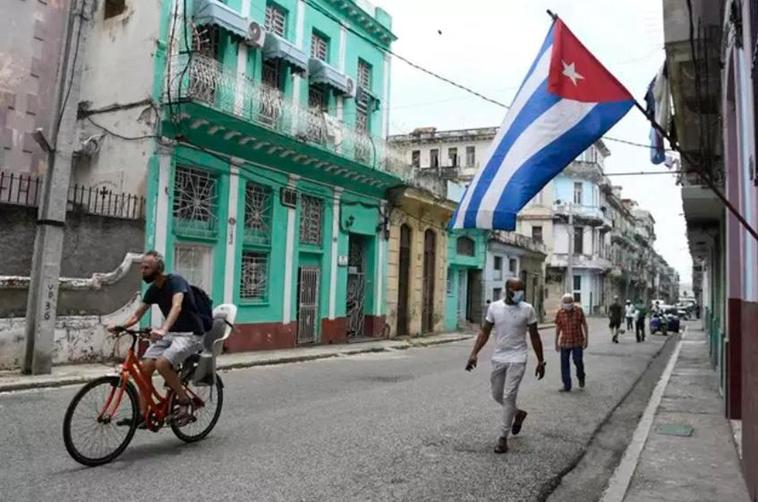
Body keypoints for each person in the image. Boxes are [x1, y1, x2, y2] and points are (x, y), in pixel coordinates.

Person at [108, 250, 209, 427]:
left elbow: (176, 306)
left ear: (158, 268)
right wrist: (122, 326)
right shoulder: (153, 289)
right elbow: (137, 315)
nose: (143, 271)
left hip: (191, 334)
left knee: (162, 363)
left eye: (147, 267)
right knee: (145, 368)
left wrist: (163, 329)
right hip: (171, 335)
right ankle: (142, 414)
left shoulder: (175, 281)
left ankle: (185, 401)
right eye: (142, 267)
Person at [465, 278, 546, 454]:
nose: (520, 293)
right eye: (516, 290)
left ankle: (503, 438)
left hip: (518, 357)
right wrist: (474, 354)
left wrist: (540, 361)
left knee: (509, 396)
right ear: (507, 290)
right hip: (499, 356)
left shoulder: (528, 309)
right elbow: (485, 332)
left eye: (521, 289)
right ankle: (518, 413)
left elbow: (534, 336)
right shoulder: (494, 307)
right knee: (496, 395)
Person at [554, 294, 588, 392]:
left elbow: (584, 324)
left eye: (569, 302)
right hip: (565, 342)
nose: (568, 304)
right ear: (562, 303)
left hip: (577, 341)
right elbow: (558, 329)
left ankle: (581, 376)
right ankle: (567, 385)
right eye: (566, 302)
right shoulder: (560, 313)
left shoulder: (579, 311)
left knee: (578, 361)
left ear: (573, 302)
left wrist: (586, 339)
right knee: (564, 364)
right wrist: (556, 342)